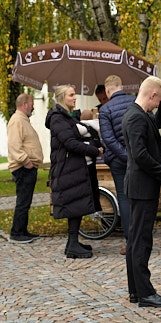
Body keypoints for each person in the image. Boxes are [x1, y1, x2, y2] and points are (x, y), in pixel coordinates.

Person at [122, 75, 161, 308]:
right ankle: (145, 293)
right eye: (157, 101)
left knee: (136, 240)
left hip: (141, 186)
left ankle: (136, 291)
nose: (157, 105)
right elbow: (140, 154)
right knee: (141, 241)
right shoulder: (136, 117)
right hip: (143, 187)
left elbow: (158, 124)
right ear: (151, 95)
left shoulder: (142, 115)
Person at [45, 84, 103, 259]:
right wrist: (94, 150)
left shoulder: (66, 117)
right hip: (66, 168)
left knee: (76, 205)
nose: (75, 97)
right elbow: (70, 143)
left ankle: (73, 243)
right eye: (71, 95)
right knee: (74, 206)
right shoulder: (57, 118)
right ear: (62, 98)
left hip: (73, 168)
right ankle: (71, 245)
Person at [98, 75, 137, 255]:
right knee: (139, 198)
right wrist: (134, 156)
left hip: (118, 160)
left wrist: (124, 156)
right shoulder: (136, 101)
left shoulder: (105, 109)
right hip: (139, 158)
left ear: (107, 91)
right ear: (122, 86)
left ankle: (131, 243)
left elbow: (108, 139)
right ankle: (142, 239)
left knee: (124, 198)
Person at [7, 93, 44, 244]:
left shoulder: (23, 120)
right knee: (23, 201)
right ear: (25, 104)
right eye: (32, 103)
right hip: (23, 167)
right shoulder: (17, 120)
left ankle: (23, 231)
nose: (34, 106)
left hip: (28, 166)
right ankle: (16, 233)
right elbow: (14, 145)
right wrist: (26, 161)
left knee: (25, 201)